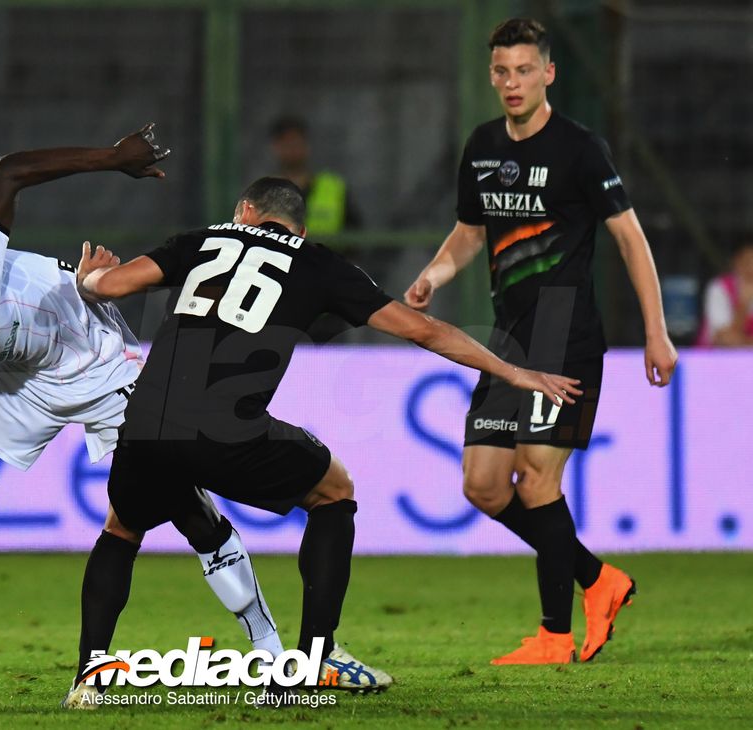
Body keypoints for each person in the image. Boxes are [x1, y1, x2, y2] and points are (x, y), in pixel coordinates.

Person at [0, 127, 375, 685]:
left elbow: (7, 173)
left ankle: (269, 649)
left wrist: (112, 160)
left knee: (182, 502)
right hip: (19, 372)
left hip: (90, 349)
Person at [58, 176, 581, 706]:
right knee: (335, 490)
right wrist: (512, 372)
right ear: (300, 229)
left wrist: (88, 279)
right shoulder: (318, 262)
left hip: (146, 418)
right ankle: (314, 659)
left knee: (121, 530)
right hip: (224, 427)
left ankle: (87, 679)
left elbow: (112, 286)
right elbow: (424, 331)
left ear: (245, 211)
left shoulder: (202, 240)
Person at [403, 18, 678, 664]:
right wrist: (435, 273)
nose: (512, 83)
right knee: (484, 485)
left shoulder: (581, 150)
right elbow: (470, 231)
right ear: (492, 75)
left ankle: (554, 635)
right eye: (502, 71)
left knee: (534, 476)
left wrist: (656, 330)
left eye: (525, 70)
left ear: (548, 73)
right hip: (510, 336)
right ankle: (597, 578)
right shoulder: (482, 146)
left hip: (567, 328)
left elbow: (630, 239)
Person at [269, 116, 362, 237]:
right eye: (286, 143)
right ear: (275, 148)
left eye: (296, 142)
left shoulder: (333, 187)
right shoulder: (263, 192)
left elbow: (354, 234)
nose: (292, 149)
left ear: (307, 145)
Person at [697, 238, 753, 347]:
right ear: (736, 262)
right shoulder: (719, 288)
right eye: (747, 262)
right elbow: (725, 340)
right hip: (715, 361)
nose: (751, 269)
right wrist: (743, 304)